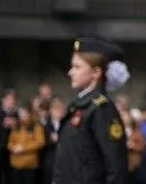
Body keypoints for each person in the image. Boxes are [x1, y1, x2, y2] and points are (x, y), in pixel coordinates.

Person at [52, 37, 130, 184]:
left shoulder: (102, 108)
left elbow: (115, 165)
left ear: (96, 72)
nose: (70, 72)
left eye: (77, 67)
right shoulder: (80, 105)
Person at [7, 107, 45, 184]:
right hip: (16, 165)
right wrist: (13, 148)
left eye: (24, 113)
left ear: (29, 113)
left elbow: (40, 142)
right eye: (20, 114)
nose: (22, 116)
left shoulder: (36, 127)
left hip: (29, 165)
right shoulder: (16, 126)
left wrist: (23, 148)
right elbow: (9, 143)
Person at [0, 89, 18, 184]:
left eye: (12, 99)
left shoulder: (17, 114)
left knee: (10, 174)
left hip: (13, 149)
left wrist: (16, 124)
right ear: (3, 100)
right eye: (8, 99)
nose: (10, 101)